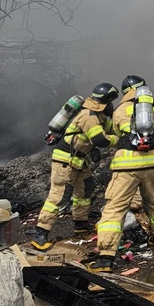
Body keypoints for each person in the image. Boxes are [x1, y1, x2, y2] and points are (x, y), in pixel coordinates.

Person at [92, 76, 154, 272]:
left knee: (115, 207)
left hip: (127, 166)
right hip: (153, 164)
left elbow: (119, 132)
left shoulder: (121, 110)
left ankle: (105, 257)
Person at [31, 83, 120, 252]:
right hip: (66, 160)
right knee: (59, 196)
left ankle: (80, 223)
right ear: (105, 102)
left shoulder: (99, 116)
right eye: (111, 102)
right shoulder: (88, 116)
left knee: (86, 188)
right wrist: (119, 141)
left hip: (79, 161)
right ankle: (40, 232)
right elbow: (100, 140)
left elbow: (114, 129)